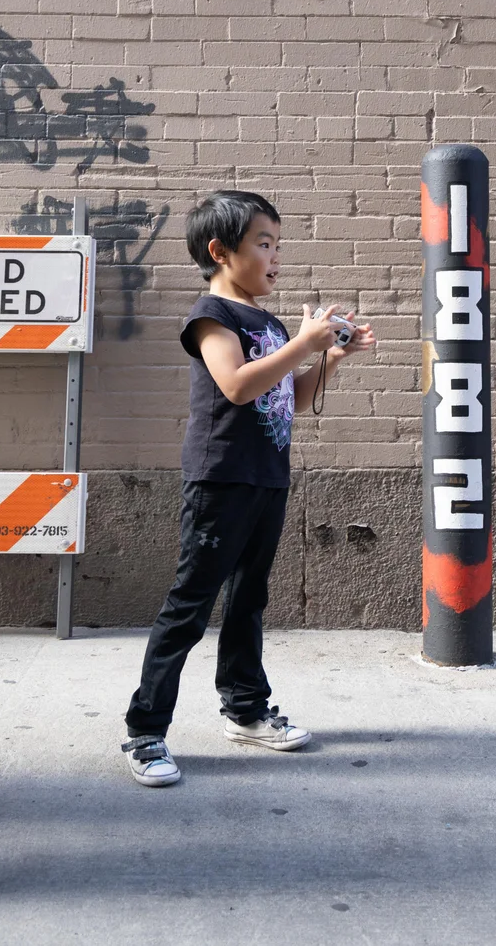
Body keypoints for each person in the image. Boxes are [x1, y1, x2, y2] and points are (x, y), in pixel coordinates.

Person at [120, 190, 377, 787]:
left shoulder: (274, 324)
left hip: (267, 477)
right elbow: (236, 385)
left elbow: (297, 398)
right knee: (190, 606)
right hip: (221, 480)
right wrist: (301, 346)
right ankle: (145, 731)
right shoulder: (213, 316)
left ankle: (245, 710)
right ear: (221, 251)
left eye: (277, 244)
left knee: (249, 600)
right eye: (264, 243)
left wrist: (329, 358)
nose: (275, 256)